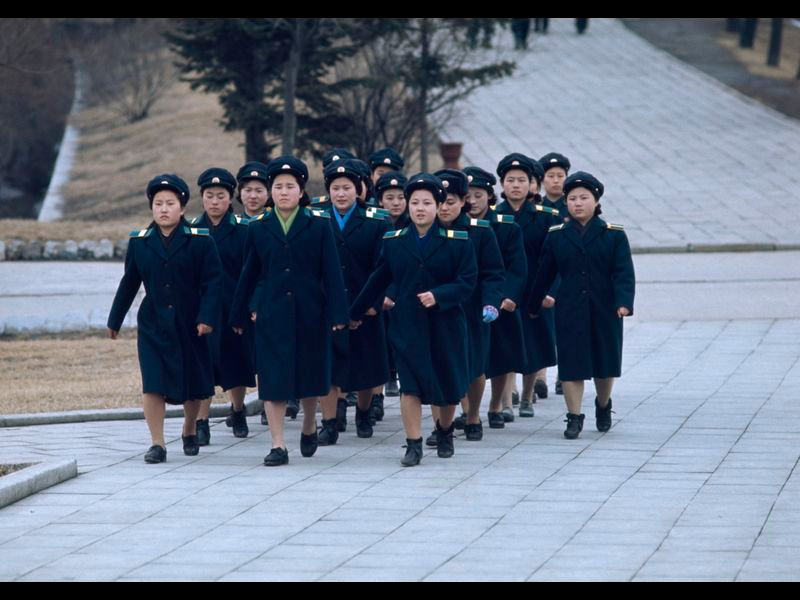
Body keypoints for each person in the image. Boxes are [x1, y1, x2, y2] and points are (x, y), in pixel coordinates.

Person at [349, 173, 477, 466]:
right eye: (415, 202)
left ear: (438, 206)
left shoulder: (458, 242)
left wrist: (439, 295)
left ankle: (444, 431)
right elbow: (377, 280)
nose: (420, 208)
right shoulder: (394, 242)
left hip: (446, 326)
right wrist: (353, 313)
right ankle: (413, 443)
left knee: (447, 387)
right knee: (410, 387)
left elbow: (467, 282)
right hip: (407, 326)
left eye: (427, 203)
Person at [229, 156, 350, 466]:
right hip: (271, 313)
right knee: (273, 378)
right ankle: (278, 444)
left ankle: (309, 423)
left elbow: (332, 273)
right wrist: (239, 313)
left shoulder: (318, 225)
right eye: (278, 187)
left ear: (301, 191)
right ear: (271, 192)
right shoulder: (258, 227)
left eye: (290, 186)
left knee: (309, 374)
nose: (284, 192)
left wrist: (339, 314)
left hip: (311, 312)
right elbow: (249, 274)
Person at [107, 174, 222, 464]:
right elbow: (129, 282)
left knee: (193, 384)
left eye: (170, 203)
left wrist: (206, 317)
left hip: (191, 323)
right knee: (153, 383)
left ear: (182, 208)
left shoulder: (200, 241)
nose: (164, 209)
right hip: (153, 324)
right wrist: (115, 319)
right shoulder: (140, 242)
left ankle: (189, 428)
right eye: (158, 204)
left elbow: (213, 283)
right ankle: (157, 443)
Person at [528, 172, 635, 439]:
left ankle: (603, 404)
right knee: (571, 364)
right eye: (572, 198)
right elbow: (544, 273)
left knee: (604, 362)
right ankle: (574, 416)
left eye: (583, 198)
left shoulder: (613, 235)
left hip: (605, 308)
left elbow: (623, 272)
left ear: (596, 201)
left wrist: (623, 302)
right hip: (570, 308)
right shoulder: (557, 236)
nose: (577, 203)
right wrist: (534, 303)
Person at [316, 161, 391, 443]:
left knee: (366, 367)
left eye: (347, 188)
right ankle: (329, 422)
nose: (341, 193)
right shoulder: (317, 219)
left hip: (366, 305)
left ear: (359, 189)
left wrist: (371, 304)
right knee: (329, 367)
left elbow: (384, 267)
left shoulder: (375, 220)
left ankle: (363, 413)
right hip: (328, 306)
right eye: (335, 188)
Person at [427, 169, 504, 443]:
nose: (444, 208)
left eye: (451, 202)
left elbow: (493, 273)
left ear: (463, 201)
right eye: (440, 202)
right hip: (435, 310)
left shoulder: (480, 232)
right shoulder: (424, 231)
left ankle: (472, 416)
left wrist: (491, 302)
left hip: (471, 310)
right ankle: (439, 425)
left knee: (474, 367)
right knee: (438, 366)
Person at [191, 168, 255, 446]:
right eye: (209, 196)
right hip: (203, 309)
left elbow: (252, 272)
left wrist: (248, 307)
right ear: (202, 197)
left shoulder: (244, 229)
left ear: (231, 198)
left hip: (234, 308)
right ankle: (201, 422)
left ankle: (238, 410)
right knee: (203, 365)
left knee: (236, 363)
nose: (215, 201)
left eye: (221, 196)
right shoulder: (192, 230)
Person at [494, 154, 559, 424]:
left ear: (531, 184)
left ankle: (527, 395)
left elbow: (556, 259)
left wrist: (550, 291)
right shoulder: (495, 216)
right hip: (506, 291)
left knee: (533, 346)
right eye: (511, 180)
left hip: (535, 291)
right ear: (502, 183)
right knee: (505, 346)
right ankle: (506, 400)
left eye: (522, 180)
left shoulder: (545, 218)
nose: (516, 185)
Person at [463, 166, 528, 431]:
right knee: (467, 358)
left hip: (498, 301)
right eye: (467, 196)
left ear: (489, 196)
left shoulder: (506, 226)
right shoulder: (455, 226)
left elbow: (517, 267)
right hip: (467, 300)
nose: (473, 201)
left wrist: (508, 297)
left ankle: (496, 405)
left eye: (478, 195)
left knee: (500, 357)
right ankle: (467, 409)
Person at [538, 152, 572, 398]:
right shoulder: (537, 207)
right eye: (551, 176)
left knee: (565, 329)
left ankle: (564, 375)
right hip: (543, 274)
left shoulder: (573, 204)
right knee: (542, 328)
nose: (556, 180)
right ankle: (540, 377)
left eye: (560, 176)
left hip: (566, 274)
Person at [375, 171, 409, 400]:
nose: (395, 203)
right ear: (380, 200)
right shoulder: (377, 224)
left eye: (400, 197)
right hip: (382, 292)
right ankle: (387, 374)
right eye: (389, 198)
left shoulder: (413, 222)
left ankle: (401, 373)